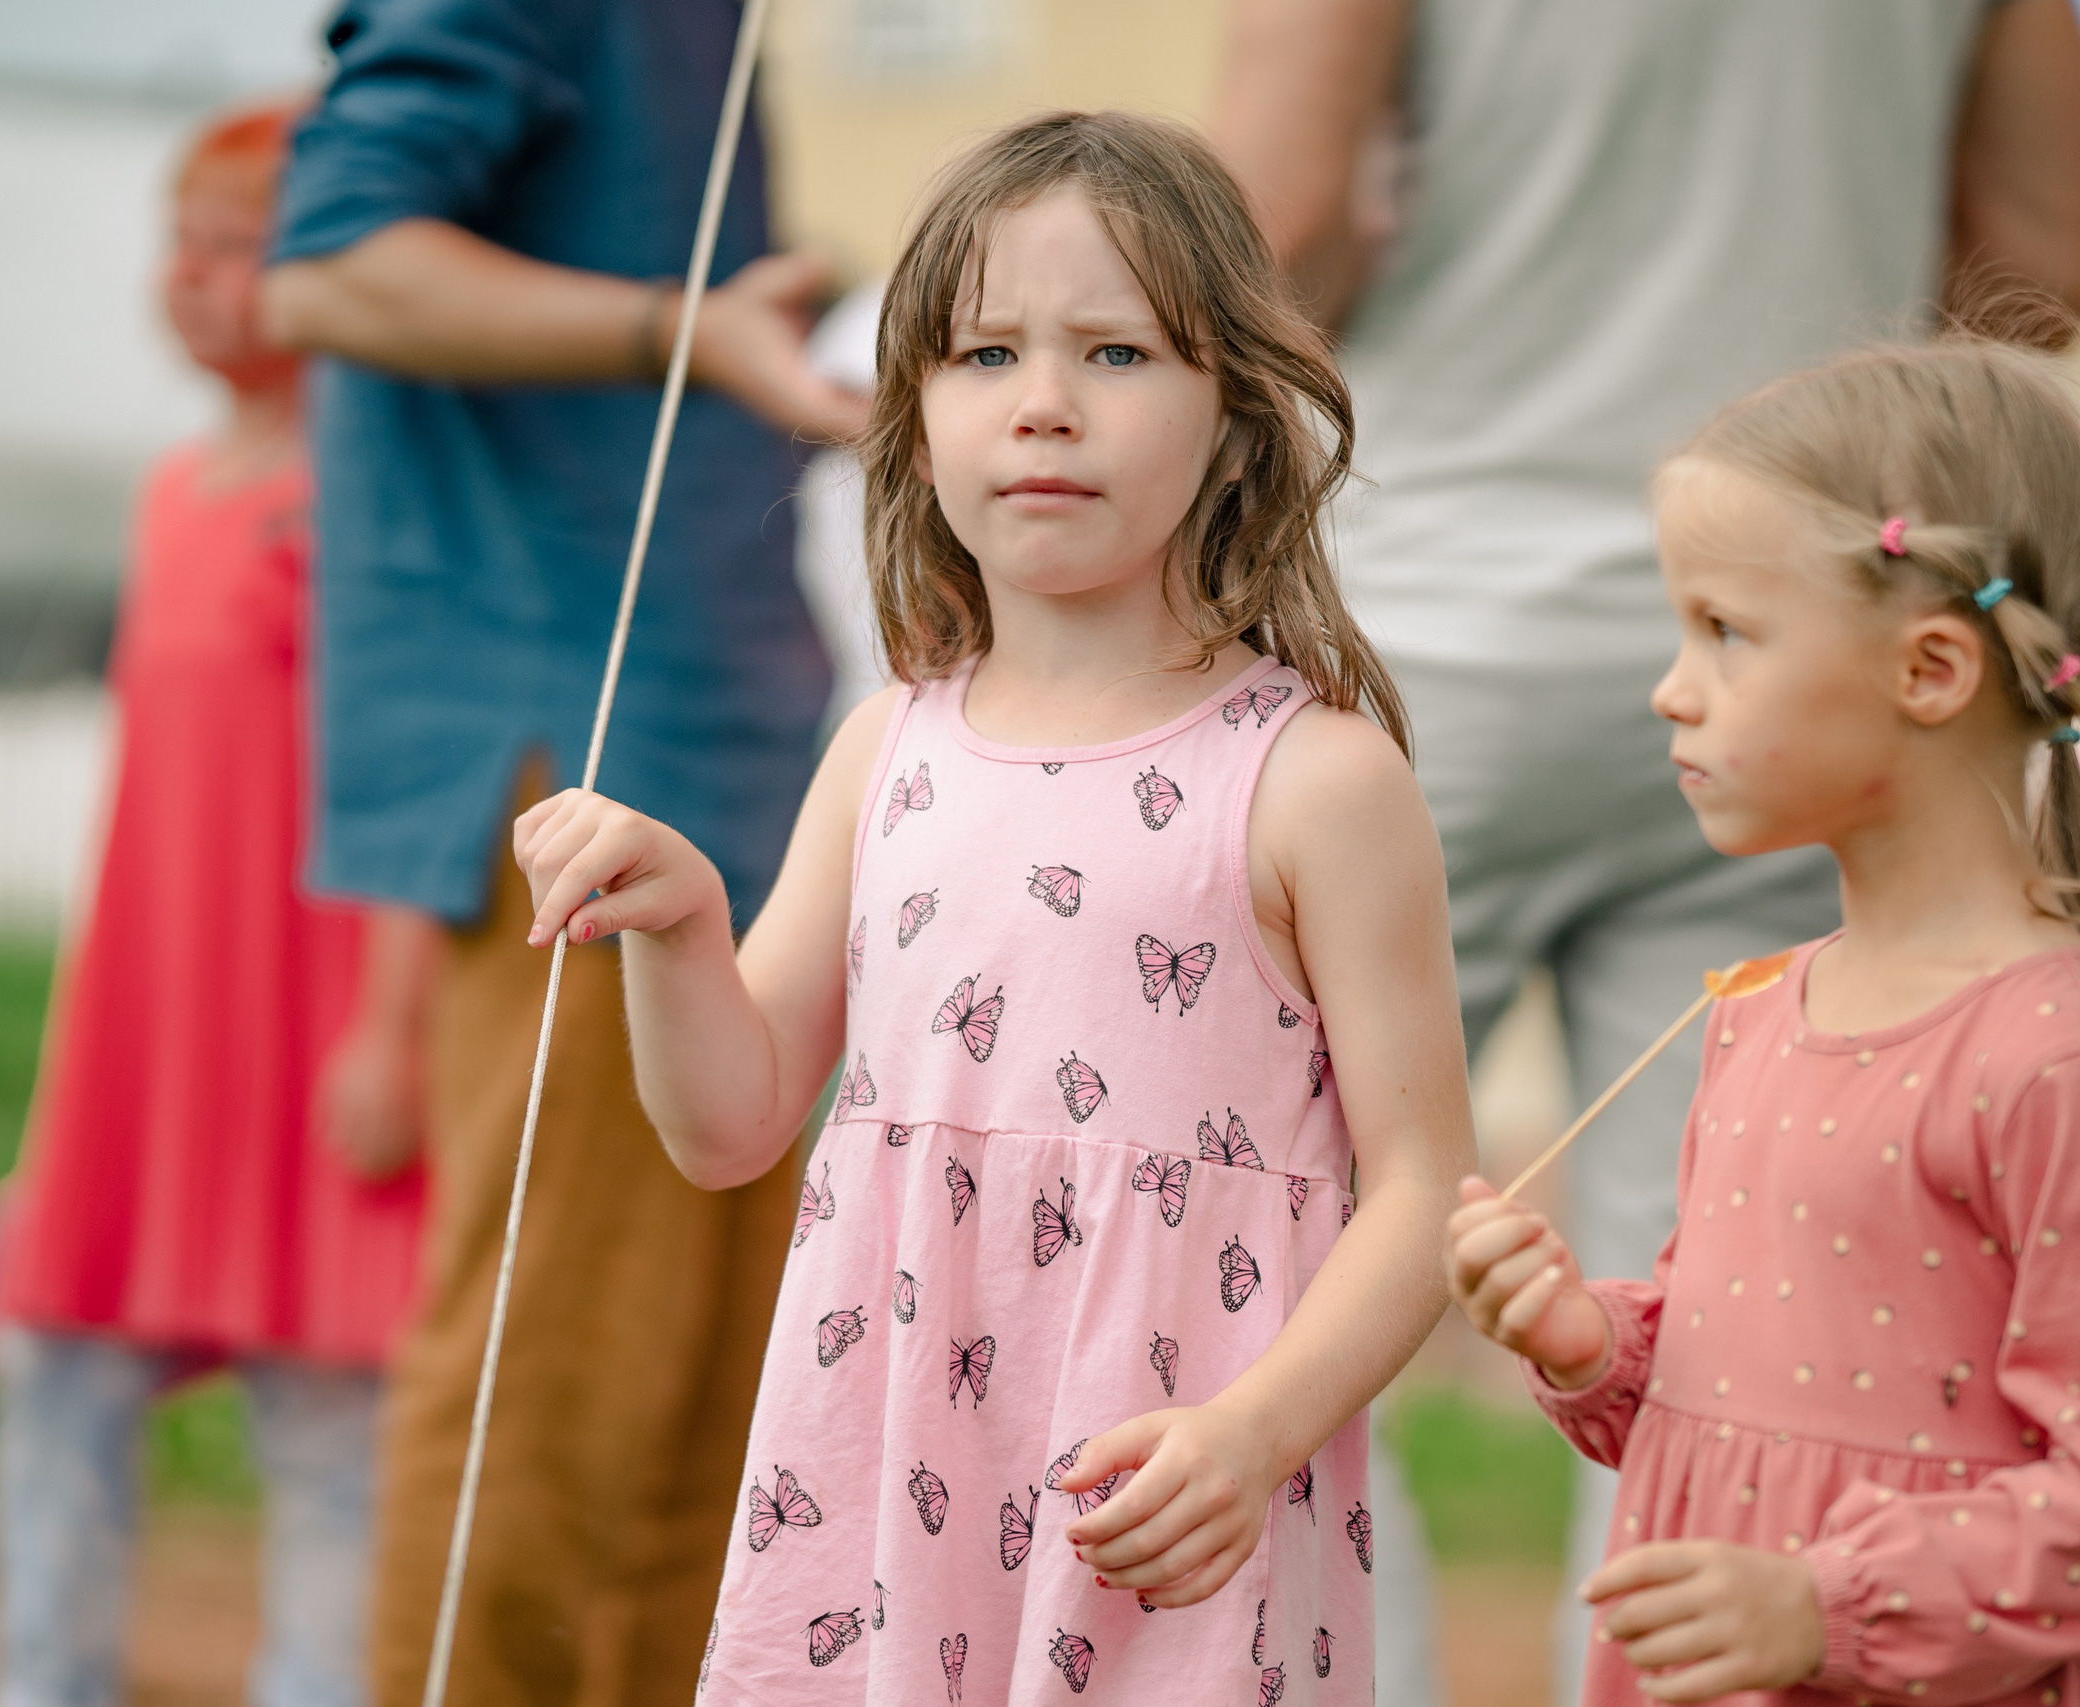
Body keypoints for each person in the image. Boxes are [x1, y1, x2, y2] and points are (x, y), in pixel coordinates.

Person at [510, 112, 1473, 1703]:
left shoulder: (1317, 782)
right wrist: (678, 928)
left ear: (1235, 415)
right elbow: (727, 1126)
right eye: (979, 356)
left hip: (1170, 1504)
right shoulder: (886, 745)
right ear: (913, 418)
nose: (1042, 407)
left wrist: (1254, 1438)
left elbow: (1424, 1187)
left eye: (1115, 354)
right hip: (889, 1491)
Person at [1209, 3, 2080, 1681]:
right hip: (1800, 657)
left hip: (1426, 645)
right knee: (1740, 1331)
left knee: (1260, 1283)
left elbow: (1270, 229)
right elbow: (2040, 273)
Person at [1445, 342, 2080, 1706]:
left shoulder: (2052, 1062)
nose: (1670, 689)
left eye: (1725, 631)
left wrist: (1831, 1607)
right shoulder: (1763, 1012)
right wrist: (1595, 1342)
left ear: (1930, 669)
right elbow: (1749, 1376)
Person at [259, 3, 864, 1701]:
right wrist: (681, 328)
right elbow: (327, 265)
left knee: (714, 1414)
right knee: (559, 1374)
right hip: (595, 743)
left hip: (733, 734)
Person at [0, 103, 433, 1707]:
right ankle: (45, 1679)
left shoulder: (367, 495)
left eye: (240, 243)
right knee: (52, 1354)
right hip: (151, 1035)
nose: (196, 276)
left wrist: (391, 1030)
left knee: (329, 1415)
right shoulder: (174, 492)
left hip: (309, 1040)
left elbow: (399, 769)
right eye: (182, 238)